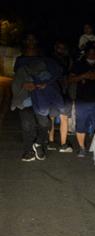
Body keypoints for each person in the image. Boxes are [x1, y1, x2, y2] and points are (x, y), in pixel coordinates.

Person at [11, 33, 66, 162]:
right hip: (25, 98)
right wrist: (23, 85)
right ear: (24, 42)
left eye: (33, 39)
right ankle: (28, 151)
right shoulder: (20, 60)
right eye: (28, 39)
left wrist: (42, 84)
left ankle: (39, 143)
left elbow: (54, 75)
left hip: (41, 97)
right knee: (27, 125)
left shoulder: (44, 59)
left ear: (37, 42)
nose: (30, 42)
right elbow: (18, 77)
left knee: (45, 124)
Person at [68, 42, 95, 157]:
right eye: (90, 53)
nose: (92, 55)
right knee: (81, 124)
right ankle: (82, 147)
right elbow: (70, 79)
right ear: (86, 53)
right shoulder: (79, 64)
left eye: (94, 53)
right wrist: (83, 76)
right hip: (82, 100)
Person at [48, 39, 72, 152]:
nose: (61, 50)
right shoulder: (62, 60)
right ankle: (59, 144)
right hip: (57, 91)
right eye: (59, 48)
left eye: (63, 48)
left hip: (60, 91)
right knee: (59, 117)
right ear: (55, 48)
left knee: (55, 117)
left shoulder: (53, 59)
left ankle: (53, 142)